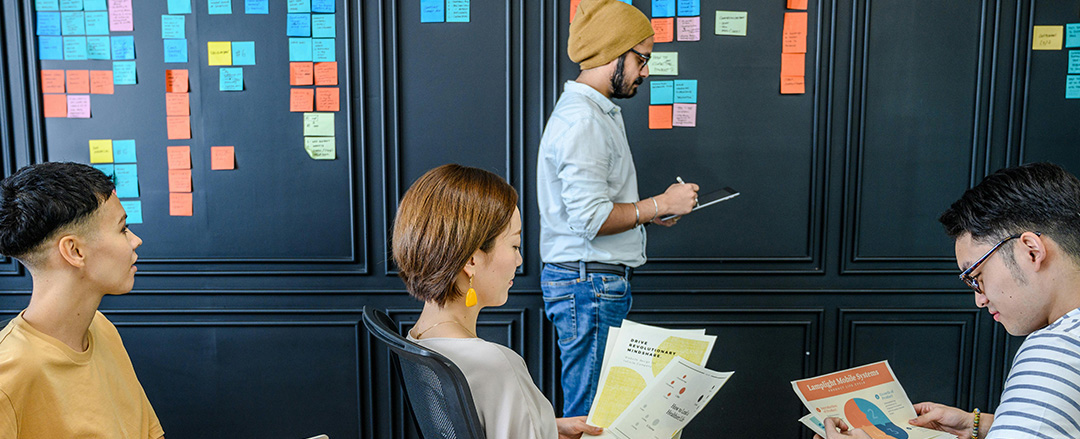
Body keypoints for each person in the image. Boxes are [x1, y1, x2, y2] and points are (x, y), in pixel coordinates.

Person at [816, 162, 1080, 439]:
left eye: (975, 275)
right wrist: (980, 426)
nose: (979, 299)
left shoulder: (1056, 350)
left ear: (1031, 251)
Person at [536, 0, 700, 417]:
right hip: (589, 286)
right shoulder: (585, 122)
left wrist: (648, 212)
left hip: (590, 284)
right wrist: (660, 202)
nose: (646, 71)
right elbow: (590, 219)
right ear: (613, 53)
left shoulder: (594, 113)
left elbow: (595, 210)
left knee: (596, 413)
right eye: (641, 58)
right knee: (591, 418)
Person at [393, 164, 604, 439]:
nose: (519, 260)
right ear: (471, 259)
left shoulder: (417, 339)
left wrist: (547, 427)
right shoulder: (496, 365)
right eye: (515, 245)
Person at [0, 162, 164, 438]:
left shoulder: (100, 327)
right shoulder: (9, 376)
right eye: (123, 229)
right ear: (74, 250)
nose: (136, 240)